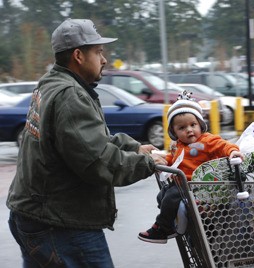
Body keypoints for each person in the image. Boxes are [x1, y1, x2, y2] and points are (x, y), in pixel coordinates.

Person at [6, 18, 167, 267]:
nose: (104, 59)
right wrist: (147, 162)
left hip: (32, 215)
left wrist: (133, 147)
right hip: (60, 223)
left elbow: (84, 142)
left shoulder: (51, 84)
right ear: (79, 56)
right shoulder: (70, 94)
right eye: (99, 52)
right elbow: (98, 162)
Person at [138, 91, 243, 244]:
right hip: (182, 185)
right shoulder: (178, 145)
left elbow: (223, 145)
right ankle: (179, 223)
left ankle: (163, 227)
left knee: (170, 198)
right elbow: (174, 160)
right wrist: (162, 162)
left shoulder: (207, 140)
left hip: (199, 188)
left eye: (193, 125)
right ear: (174, 132)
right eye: (182, 128)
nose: (189, 130)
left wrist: (233, 151)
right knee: (161, 196)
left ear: (200, 124)